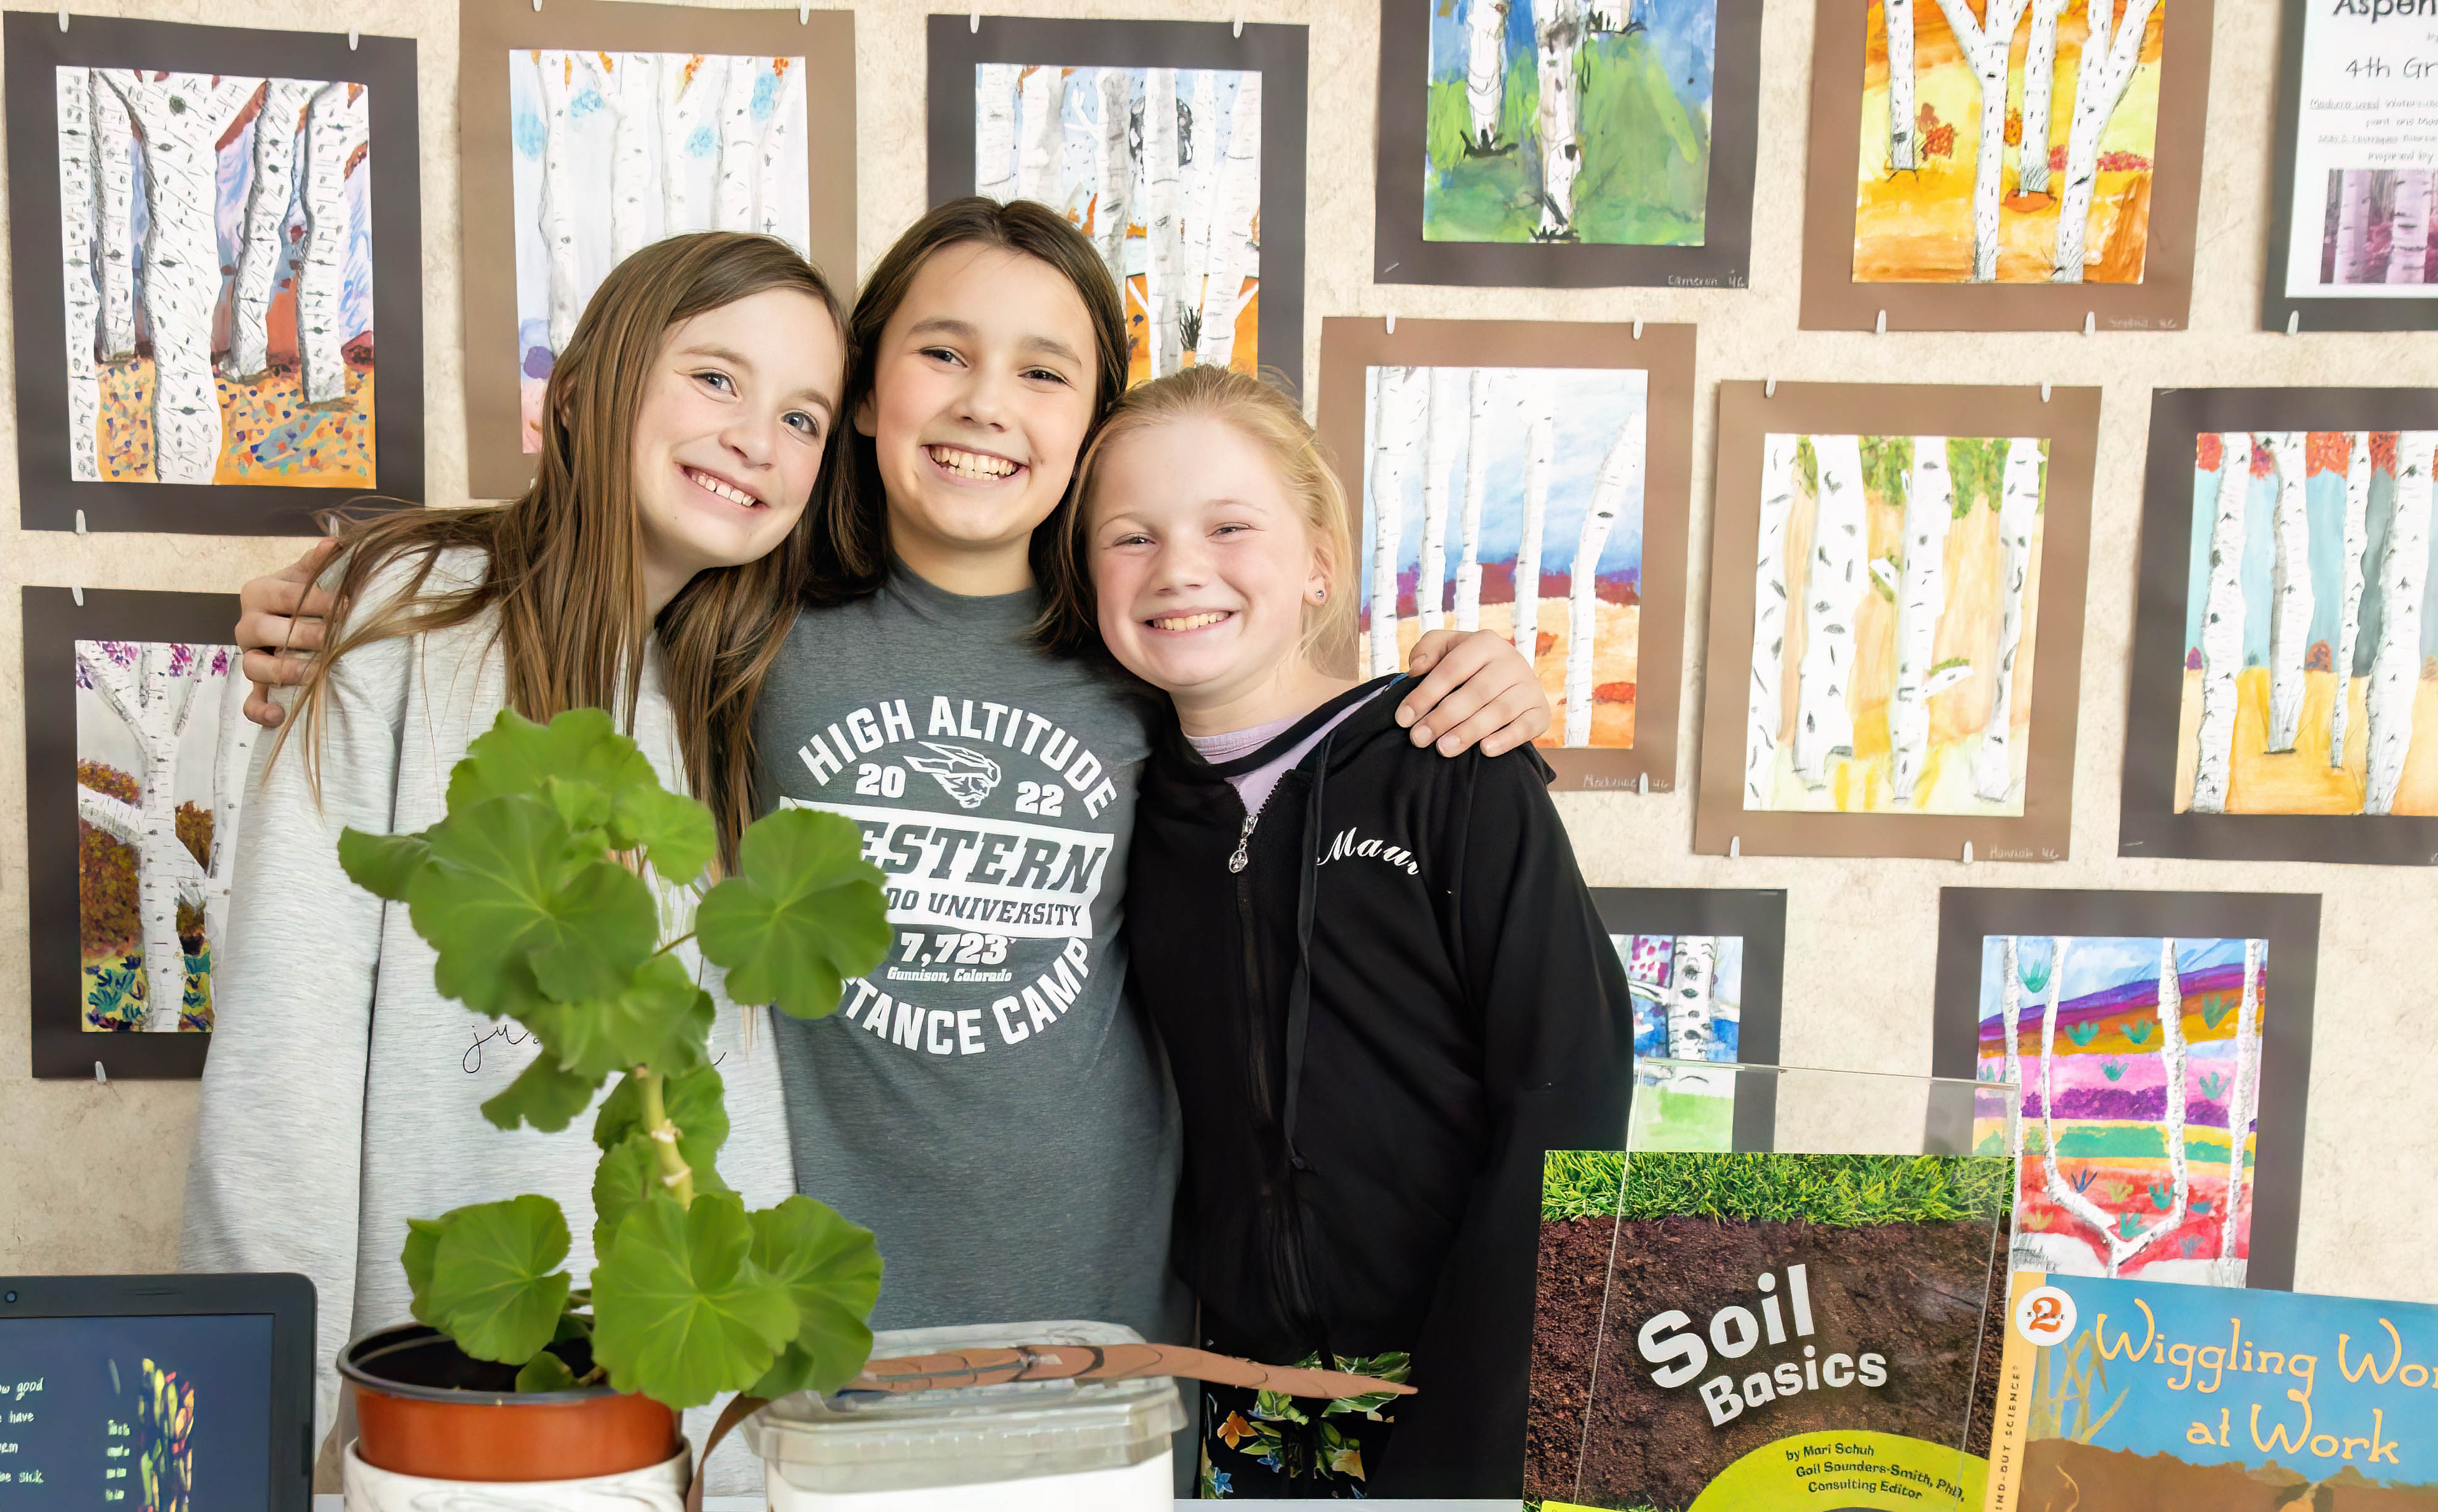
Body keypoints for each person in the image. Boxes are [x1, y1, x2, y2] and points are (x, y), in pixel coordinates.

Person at [231, 201, 1557, 1341]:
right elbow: (588, 554)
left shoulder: (1133, 658)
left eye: (1046, 374)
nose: (987, 401)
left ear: (1092, 430)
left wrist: (1468, 673)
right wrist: (372, 586)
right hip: (808, 1329)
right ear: (868, 400)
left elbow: (1266, 673)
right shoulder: (745, 620)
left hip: (1103, 1327)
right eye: (941, 353)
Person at [179, 232, 845, 1400]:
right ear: (581, 395)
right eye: (717, 378)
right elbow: (286, 1075)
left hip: (688, 1429)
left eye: (804, 418)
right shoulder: (396, 618)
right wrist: (268, 1457)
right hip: (440, 1399)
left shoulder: (739, 685)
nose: (757, 437)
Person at [1075, 367, 1634, 1500]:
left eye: (1230, 525)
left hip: (1477, 1394)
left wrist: (1477, 1422)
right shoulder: (1131, 805)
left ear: (1321, 562)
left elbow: (1568, 1091)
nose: (1179, 566)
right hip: (1248, 1404)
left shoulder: (1448, 763)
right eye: (1130, 538)